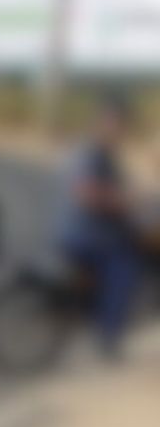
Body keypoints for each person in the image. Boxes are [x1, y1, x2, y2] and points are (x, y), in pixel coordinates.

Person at [56, 96, 141, 358]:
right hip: (86, 234)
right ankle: (108, 339)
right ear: (102, 122)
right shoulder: (92, 153)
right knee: (125, 270)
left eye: (121, 124)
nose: (118, 129)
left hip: (87, 229)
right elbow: (86, 194)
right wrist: (121, 200)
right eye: (115, 123)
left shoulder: (102, 153)